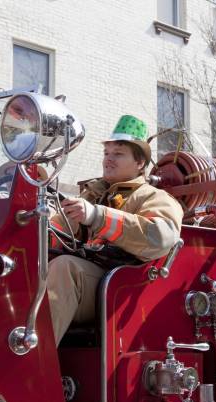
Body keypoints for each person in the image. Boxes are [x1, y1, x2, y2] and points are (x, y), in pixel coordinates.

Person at [47, 115, 183, 345]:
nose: (108, 160)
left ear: (140, 163)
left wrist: (96, 216)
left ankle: (32, 368)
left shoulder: (154, 197)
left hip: (121, 290)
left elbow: (160, 237)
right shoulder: (93, 195)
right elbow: (54, 234)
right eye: (106, 153)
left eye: (118, 154)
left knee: (64, 268)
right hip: (97, 286)